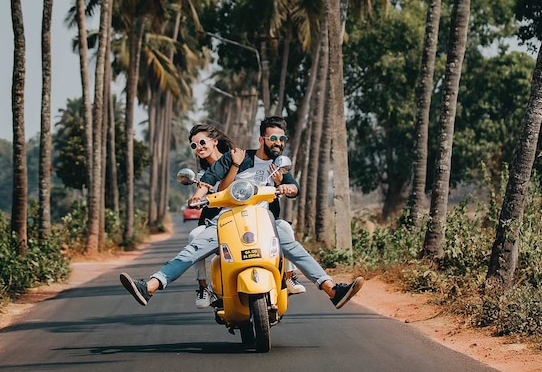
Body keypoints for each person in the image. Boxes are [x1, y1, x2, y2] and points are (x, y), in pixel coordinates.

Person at [120, 116, 363, 309]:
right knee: (192, 249)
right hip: (227, 222)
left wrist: (287, 187)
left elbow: (293, 186)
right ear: (262, 139)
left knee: (290, 239)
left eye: (282, 138)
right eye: (273, 138)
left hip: (264, 222)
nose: (277, 142)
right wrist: (197, 196)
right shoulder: (235, 158)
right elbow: (209, 181)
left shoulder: (277, 166)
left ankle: (332, 290)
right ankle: (150, 286)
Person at [184, 123, 307, 309]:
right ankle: (203, 288)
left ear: (214, 142)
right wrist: (197, 196)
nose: (199, 147)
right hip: (220, 222)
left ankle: (289, 277)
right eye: (194, 146)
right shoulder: (207, 174)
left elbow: (265, 176)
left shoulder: (241, 159)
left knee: (284, 229)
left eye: (202, 142)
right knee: (194, 236)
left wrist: (280, 183)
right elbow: (220, 189)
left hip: (249, 217)